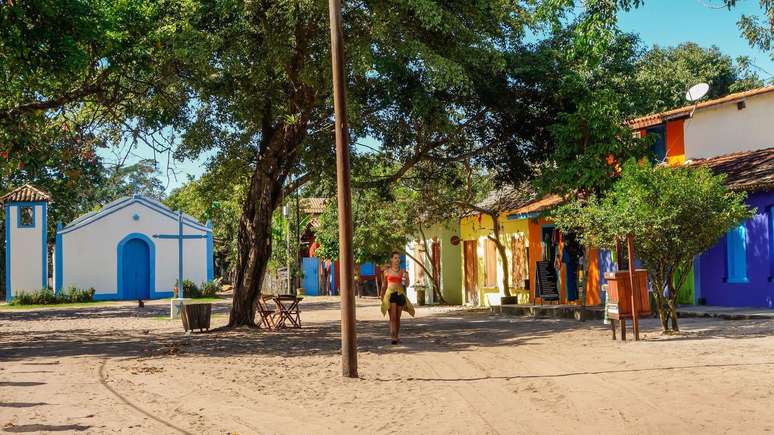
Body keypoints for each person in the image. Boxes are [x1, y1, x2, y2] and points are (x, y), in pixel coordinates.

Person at [381, 251, 415, 344]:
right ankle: (393, 336)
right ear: (391, 259)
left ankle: (397, 335)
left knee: (398, 317)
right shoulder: (386, 272)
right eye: (395, 258)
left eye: (398, 258)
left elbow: (407, 285)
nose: (397, 260)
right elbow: (384, 285)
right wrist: (381, 295)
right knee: (392, 317)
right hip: (390, 294)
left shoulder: (403, 271)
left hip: (400, 294)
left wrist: (407, 278)